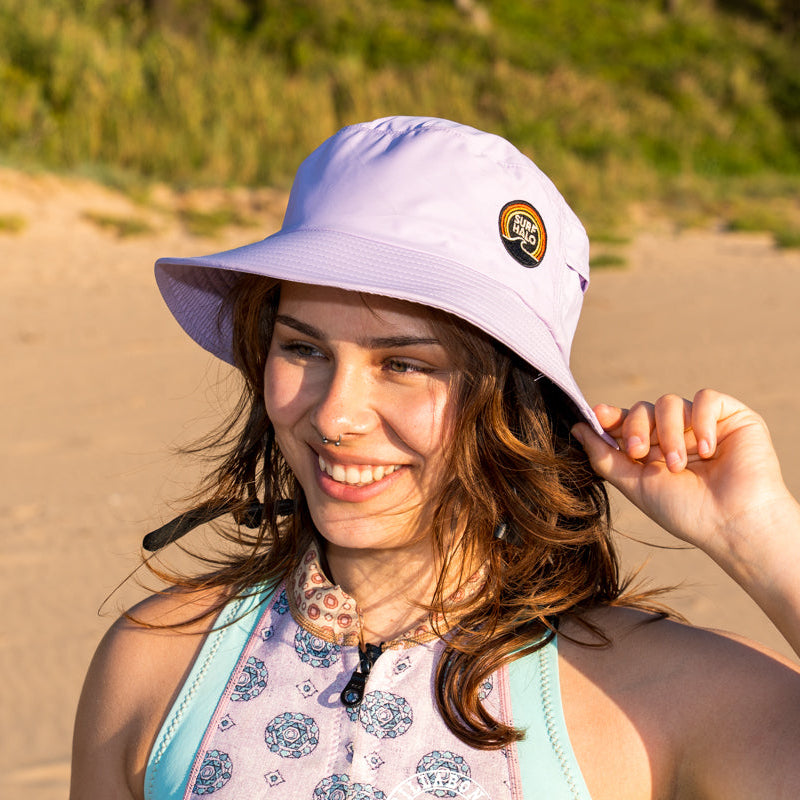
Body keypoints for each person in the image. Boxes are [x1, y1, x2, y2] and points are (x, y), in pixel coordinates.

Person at [70, 116, 800, 800]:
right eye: (303, 347)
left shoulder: (662, 693)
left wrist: (763, 536)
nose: (333, 414)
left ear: (516, 401)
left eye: (405, 364)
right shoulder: (159, 667)